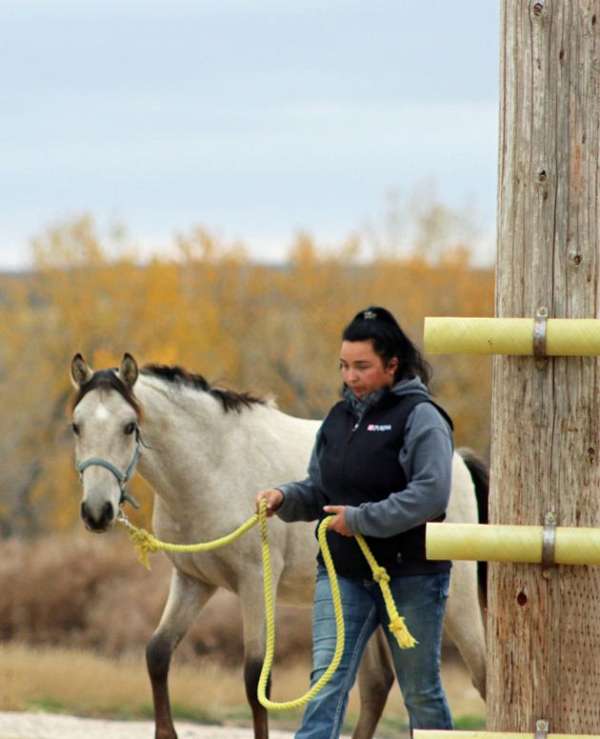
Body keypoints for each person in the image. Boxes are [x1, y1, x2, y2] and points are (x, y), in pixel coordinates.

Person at [256, 306, 454, 738]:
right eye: (344, 366)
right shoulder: (336, 420)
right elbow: (321, 490)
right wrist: (286, 498)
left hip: (411, 576)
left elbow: (430, 494)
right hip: (342, 572)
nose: (350, 376)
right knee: (325, 685)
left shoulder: (423, 418)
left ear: (392, 364)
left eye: (362, 366)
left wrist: (362, 520)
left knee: (420, 692)